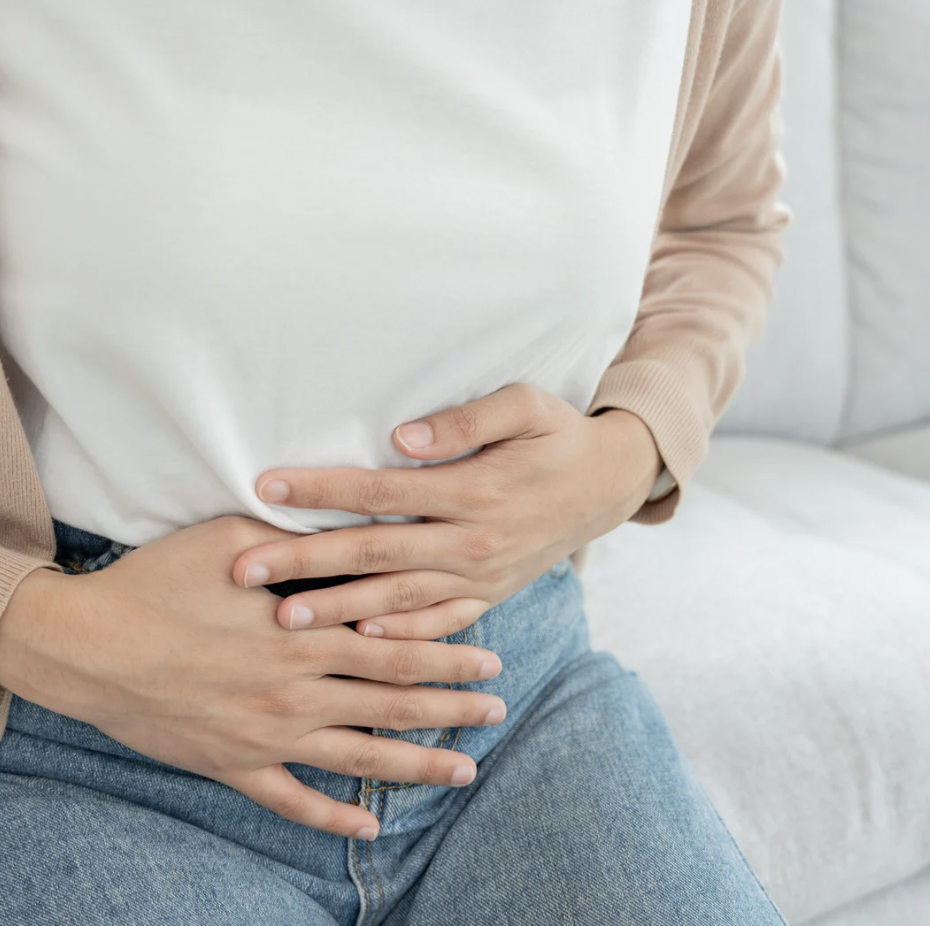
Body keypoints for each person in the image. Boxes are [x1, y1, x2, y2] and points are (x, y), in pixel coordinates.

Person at [0, 1, 790, 923]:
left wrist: (628, 453)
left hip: (516, 701)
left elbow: (719, 224)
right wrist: (44, 631)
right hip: (85, 738)